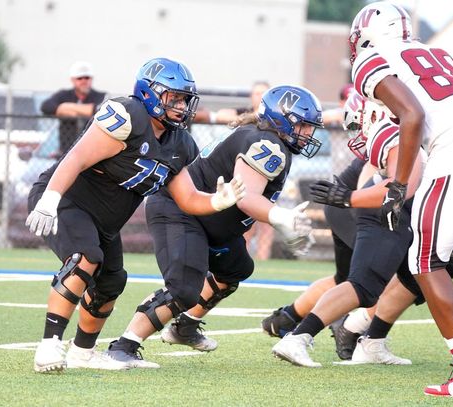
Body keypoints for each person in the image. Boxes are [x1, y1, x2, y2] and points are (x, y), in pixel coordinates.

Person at [343, 1, 453, 398]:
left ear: (366, 33)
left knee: (424, 261)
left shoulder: (371, 59)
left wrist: (398, 184)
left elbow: (413, 116)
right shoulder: (437, 53)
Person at [27, 57, 245, 373]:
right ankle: (49, 345)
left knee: (112, 281)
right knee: (84, 256)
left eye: (184, 98)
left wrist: (217, 202)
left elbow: (188, 199)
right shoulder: (127, 115)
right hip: (68, 198)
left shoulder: (179, 143)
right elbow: (75, 158)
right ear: (149, 93)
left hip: (105, 221)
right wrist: (50, 199)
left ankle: (82, 353)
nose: (181, 105)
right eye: (174, 97)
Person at [105, 85, 323, 368]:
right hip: (181, 211)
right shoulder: (268, 144)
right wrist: (281, 217)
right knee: (184, 288)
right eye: (303, 125)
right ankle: (124, 345)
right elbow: (247, 198)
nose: (308, 133)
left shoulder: (265, 139)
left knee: (236, 268)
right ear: (282, 119)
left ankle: (184, 327)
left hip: (207, 219)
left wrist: (280, 221)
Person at [270, 91, 426, 367]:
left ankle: (298, 321)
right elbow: (379, 190)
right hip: (370, 211)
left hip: (373, 209)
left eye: (359, 123)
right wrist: (347, 198)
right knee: (364, 284)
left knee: (421, 273)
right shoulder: (391, 132)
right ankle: (303, 334)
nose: (358, 131)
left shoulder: (395, 126)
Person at [195, 81, 275, 260]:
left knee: (267, 222)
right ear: (251, 97)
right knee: (246, 218)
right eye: (257, 93)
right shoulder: (245, 118)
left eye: (264, 93)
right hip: (241, 177)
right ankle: (240, 254)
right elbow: (220, 115)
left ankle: (264, 261)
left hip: (264, 175)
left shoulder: (275, 124)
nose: (260, 96)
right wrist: (249, 117)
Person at [40, 61, 106, 156]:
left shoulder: (100, 96)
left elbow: (99, 110)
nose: (84, 81)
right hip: (66, 152)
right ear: (73, 80)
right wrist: (85, 110)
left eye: (87, 77)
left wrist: (67, 107)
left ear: (91, 79)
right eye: (79, 78)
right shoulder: (64, 94)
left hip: (92, 152)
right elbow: (46, 107)